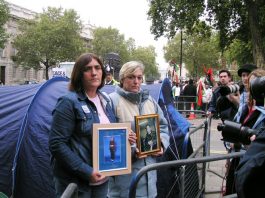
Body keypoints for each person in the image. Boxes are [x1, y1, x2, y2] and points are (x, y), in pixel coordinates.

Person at [49, 53, 121, 198]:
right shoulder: (68, 102)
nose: (94, 73)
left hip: (102, 179)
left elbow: (110, 135)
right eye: (88, 69)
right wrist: (86, 171)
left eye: (97, 68)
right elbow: (56, 143)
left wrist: (126, 138)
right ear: (79, 74)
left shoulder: (106, 100)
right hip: (76, 184)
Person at [108, 61, 170, 198]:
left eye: (139, 77)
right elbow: (106, 139)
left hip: (150, 180)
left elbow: (163, 127)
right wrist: (131, 150)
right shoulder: (111, 102)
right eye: (131, 77)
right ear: (122, 79)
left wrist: (161, 144)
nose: (136, 81)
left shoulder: (150, 101)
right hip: (124, 185)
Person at [224, 69, 265, 195]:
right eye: (249, 83)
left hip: (251, 165)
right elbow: (234, 129)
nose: (251, 87)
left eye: (255, 84)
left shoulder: (262, 113)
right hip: (237, 160)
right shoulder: (244, 108)